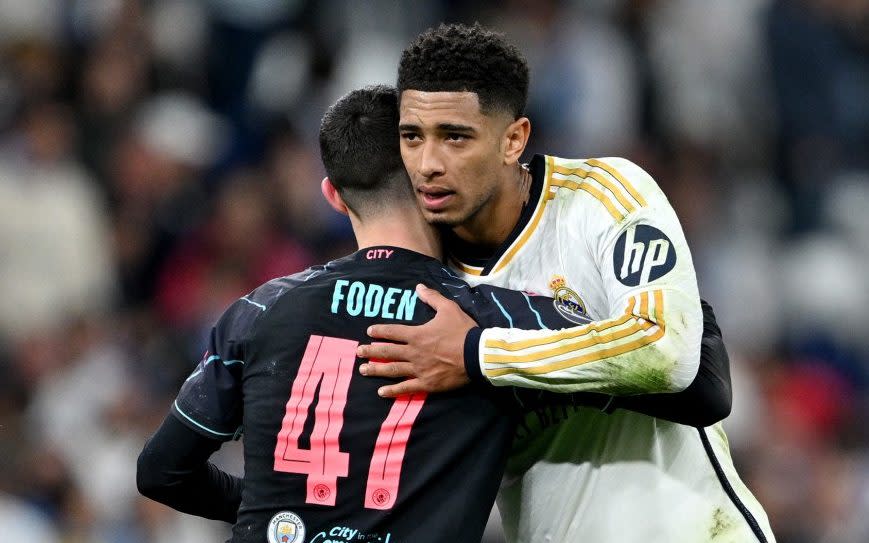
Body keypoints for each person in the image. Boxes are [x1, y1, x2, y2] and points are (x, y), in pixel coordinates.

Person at [136, 86, 732, 542]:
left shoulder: (259, 310)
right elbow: (699, 385)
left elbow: (162, 472)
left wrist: (283, 513)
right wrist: (672, 288)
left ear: (333, 195)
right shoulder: (486, 318)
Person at [357, 24, 775, 543]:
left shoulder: (603, 196)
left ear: (514, 139)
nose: (428, 164)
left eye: (455, 137)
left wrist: (478, 356)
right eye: (412, 137)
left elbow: (670, 355)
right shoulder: (422, 281)